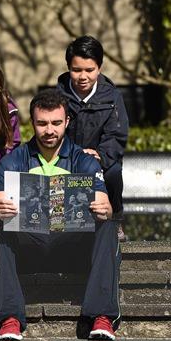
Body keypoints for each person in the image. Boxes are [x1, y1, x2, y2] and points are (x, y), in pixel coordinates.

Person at [0, 89, 120, 341]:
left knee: (107, 225)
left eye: (55, 123)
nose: (49, 130)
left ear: (67, 122)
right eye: (42, 123)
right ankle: (9, 318)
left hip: (71, 247)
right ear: (32, 122)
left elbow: (103, 200)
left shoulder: (83, 160)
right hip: (27, 248)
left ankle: (101, 316)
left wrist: (104, 207)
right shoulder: (12, 161)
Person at [56, 35, 129, 240]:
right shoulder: (59, 96)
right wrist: (74, 154)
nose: (83, 76)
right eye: (76, 70)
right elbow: (52, 130)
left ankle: (116, 220)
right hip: (67, 158)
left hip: (101, 159)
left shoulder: (112, 97)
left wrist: (99, 155)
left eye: (89, 70)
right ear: (69, 67)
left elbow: (116, 134)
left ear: (99, 68)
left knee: (114, 171)